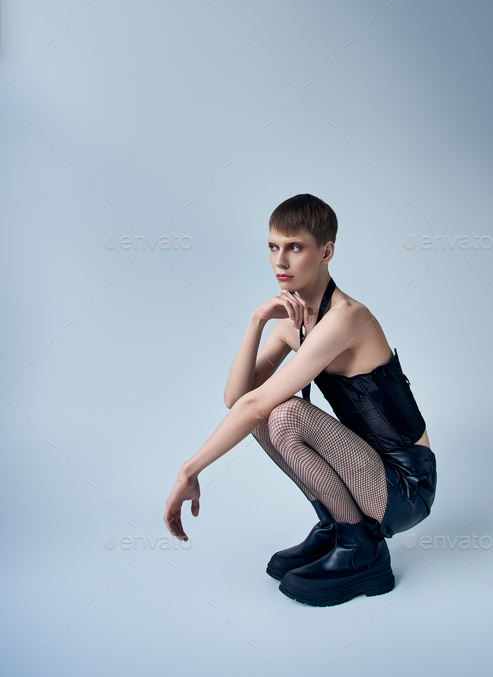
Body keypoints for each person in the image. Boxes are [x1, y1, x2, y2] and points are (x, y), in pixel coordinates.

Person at [164, 193, 437, 607]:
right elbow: (238, 399)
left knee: (284, 411)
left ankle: (362, 549)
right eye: (273, 247)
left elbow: (255, 404)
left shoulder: (346, 317)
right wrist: (257, 320)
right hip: (363, 469)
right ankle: (335, 527)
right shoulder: (295, 320)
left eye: (295, 247)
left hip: (404, 486)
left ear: (326, 251)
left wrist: (190, 470)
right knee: (260, 414)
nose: (280, 262)